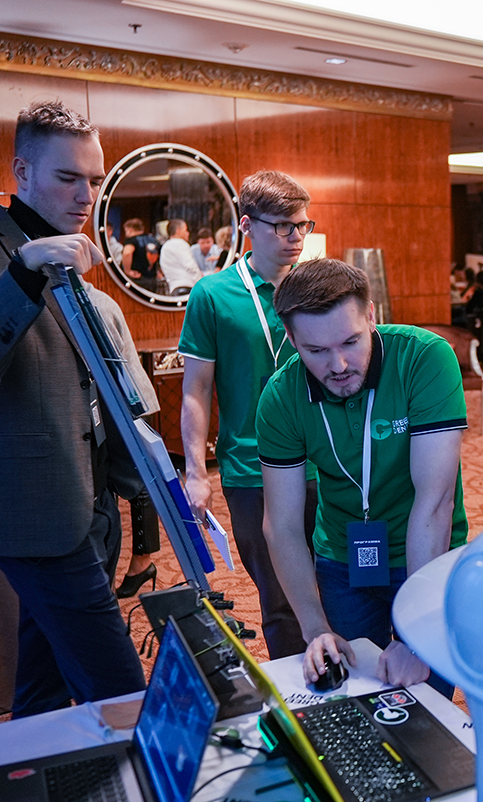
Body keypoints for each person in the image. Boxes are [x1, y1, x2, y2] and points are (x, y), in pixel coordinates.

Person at [0, 100, 148, 717]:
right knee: (122, 687)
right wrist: (22, 274)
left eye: (95, 179)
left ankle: (32, 764)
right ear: (22, 171)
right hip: (29, 505)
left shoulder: (71, 255)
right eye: (68, 177)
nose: (86, 196)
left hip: (89, 500)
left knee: (44, 681)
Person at [256, 258, 468, 691]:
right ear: (291, 339)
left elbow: (434, 502)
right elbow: (281, 524)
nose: (338, 365)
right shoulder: (280, 397)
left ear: (371, 315)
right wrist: (315, 628)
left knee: (425, 698)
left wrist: (415, 636)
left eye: (351, 341)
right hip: (343, 559)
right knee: (355, 691)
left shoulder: (424, 359)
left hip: (428, 554)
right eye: (316, 351)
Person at [179, 170, 320, 659]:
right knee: (280, 601)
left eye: (303, 224)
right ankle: (295, 694)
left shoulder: (318, 288)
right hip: (251, 470)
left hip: (325, 465)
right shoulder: (213, 295)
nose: (296, 236)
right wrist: (196, 473)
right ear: (246, 225)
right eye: (283, 226)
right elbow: (196, 390)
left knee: (340, 586)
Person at [159, 218, 202, 296]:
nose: (188, 233)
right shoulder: (180, 243)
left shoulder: (165, 247)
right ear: (178, 230)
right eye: (185, 230)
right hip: (187, 289)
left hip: (174, 290)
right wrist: (201, 283)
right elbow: (191, 266)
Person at [122, 218, 160, 293]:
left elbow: (127, 253)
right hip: (151, 278)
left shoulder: (132, 240)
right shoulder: (153, 239)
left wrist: (127, 271)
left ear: (130, 230)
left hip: (136, 277)